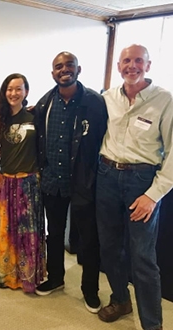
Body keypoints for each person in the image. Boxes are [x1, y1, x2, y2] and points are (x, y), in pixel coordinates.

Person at [96, 44, 172, 330]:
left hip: (142, 181)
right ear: (118, 66)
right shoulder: (107, 98)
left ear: (148, 66)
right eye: (126, 61)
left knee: (142, 257)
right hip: (106, 176)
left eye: (138, 61)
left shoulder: (164, 100)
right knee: (111, 247)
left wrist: (153, 196)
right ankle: (120, 299)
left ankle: (152, 324)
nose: (132, 66)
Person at [33, 52, 108, 314]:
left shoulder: (95, 103)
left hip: (83, 183)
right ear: (52, 72)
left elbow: (102, 141)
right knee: (54, 235)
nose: (64, 70)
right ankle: (55, 278)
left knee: (89, 239)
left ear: (78, 69)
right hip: (53, 183)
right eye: (58, 67)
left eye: (69, 65)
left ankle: (90, 290)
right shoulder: (44, 104)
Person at [0, 73, 45, 293]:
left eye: (18, 89)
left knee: (28, 232)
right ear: (5, 92)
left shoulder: (35, 117)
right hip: (6, 182)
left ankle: (29, 277)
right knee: (6, 230)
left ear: (26, 92)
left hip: (30, 182)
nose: (13, 93)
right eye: (9, 89)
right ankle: (8, 276)